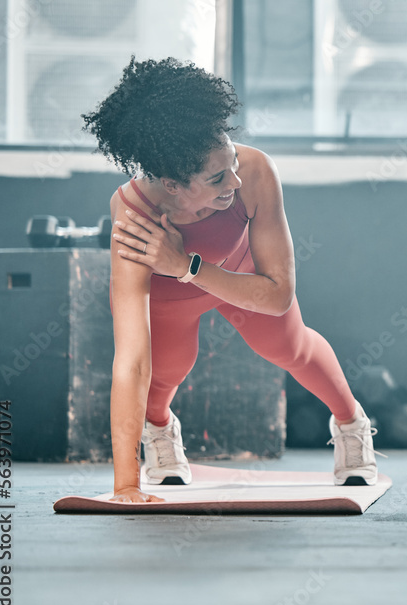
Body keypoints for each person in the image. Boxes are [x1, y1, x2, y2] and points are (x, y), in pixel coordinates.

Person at [82, 57, 380, 503]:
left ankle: (351, 423)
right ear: (172, 184)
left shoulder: (255, 173)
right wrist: (124, 485)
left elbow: (278, 297)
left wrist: (187, 266)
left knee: (288, 345)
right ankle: (159, 432)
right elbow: (131, 360)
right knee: (164, 370)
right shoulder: (133, 214)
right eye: (218, 177)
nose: (235, 180)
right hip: (169, 295)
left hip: (238, 273)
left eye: (234, 161)